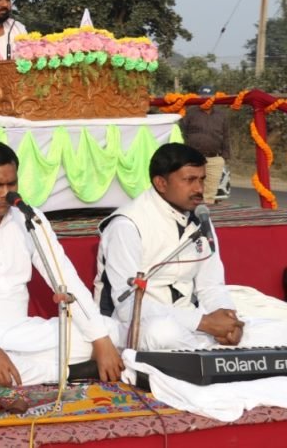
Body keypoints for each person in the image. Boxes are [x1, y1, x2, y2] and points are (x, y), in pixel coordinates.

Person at [0, 141, 122, 386]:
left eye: (11, 184)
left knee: (108, 331)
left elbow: (65, 278)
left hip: (22, 333)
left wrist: (101, 340)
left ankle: (29, 371)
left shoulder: (29, 218)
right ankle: (71, 372)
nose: (6, 193)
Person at [95, 143, 287, 351]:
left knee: (277, 331)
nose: (199, 189)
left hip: (195, 323)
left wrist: (228, 319)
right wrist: (203, 322)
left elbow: (211, 285)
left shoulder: (200, 217)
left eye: (202, 179)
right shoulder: (127, 225)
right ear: (161, 183)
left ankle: (212, 352)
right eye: (189, 180)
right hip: (136, 326)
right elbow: (127, 305)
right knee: (163, 334)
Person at [179, 86, 230, 204]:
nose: (206, 100)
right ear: (198, 98)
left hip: (214, 158)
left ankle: (206, 219)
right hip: (193, 158)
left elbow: (226, 135)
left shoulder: (221, 115)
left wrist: (224, 157)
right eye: (203, 97)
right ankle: (190, 217)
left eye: (208, 98)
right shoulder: (190, 113)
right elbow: (182, 133)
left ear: (213, 99)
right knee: (192, 189)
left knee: (210, 193)